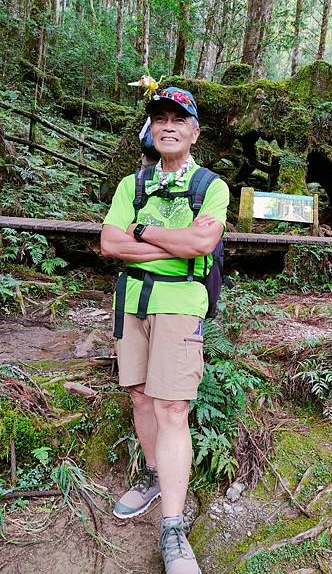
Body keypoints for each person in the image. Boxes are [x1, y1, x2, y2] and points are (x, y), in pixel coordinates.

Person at [101, 87, 229, 574]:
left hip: (180, 306)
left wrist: (143, 233)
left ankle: (173, 527)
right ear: (151, 130)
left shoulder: (210, 186)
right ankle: (153, 476)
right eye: (160, 118)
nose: (169, 125)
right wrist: (170, 247)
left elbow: (202, 240)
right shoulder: (131, 186)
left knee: (172, 407)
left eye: (180, 118)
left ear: (194, 131)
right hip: (132, 302)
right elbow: (109, 243)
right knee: (139, 396)